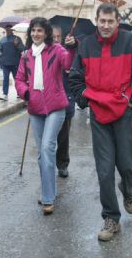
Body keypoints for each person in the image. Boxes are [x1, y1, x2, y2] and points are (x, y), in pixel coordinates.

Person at [69, 3, 132, 242]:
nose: (106, 25)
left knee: (126, 164)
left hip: (123, 112)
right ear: (96, 20)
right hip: (98, 115)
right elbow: (75, 77)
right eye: (102, 21)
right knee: (104, 170)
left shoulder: (131, 42)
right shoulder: (85, 45)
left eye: (110, 21)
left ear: (117, 21)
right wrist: (85, 100)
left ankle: (127, 190)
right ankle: (111, 218)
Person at [15, 18, 76, 215]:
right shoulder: (26, 55)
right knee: (42, 154)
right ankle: (48, 191)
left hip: (56, 107)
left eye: (40, 31)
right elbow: (19, 79)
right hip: (35, 109)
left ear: (46, 33)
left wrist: (72, 47)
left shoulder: (57, 50)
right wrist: (26, 93)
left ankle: (48, 198)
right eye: (33, 31)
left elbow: (68, 63)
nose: (36, 34)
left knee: (48, 148)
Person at [52, 25, 76, 178]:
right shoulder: (42, 54)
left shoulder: (67, 54)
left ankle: (62, 164)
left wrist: (70, 70)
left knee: (63, 137)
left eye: (58, 37)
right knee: (47, 139)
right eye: (53, 37)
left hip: (65, 101)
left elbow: (77, 73)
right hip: (47, 103)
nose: (55, 40)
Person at [0, 25, 25, 101]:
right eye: (6, 29)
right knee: (5, 79)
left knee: (17, 79)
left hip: (15, 63)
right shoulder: (2, 40)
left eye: (9, 29)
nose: (8, 31)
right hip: (5, 63)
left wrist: (17, 45)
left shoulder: (17, 39)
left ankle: (19, 93)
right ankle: (5, 94)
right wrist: (0, 58)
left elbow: (22, 49)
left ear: (12, 30)